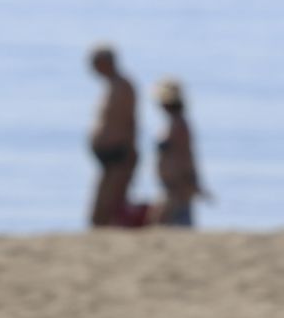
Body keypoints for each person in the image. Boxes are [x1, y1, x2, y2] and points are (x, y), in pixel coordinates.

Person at [86, 43, 138, 228]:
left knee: (111, 201)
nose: (91, 68)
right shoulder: (110, 86)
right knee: (100, 202)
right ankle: (98, 229)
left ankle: (107, 229)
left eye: (94, 63)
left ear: (105, 63)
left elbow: (131, 121)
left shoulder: (123, 86)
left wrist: (131, 151)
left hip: (119, 152)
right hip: (108, 153)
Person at [147, 78, 207, 227]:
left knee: (173, 220)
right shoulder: (174, 123)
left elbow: (186, 155)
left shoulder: (180, 125)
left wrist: (190, 180)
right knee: (164, 219)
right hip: (172, 183)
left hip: (177, 184)